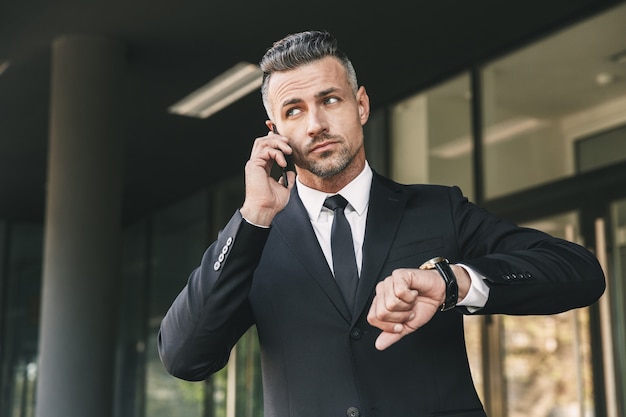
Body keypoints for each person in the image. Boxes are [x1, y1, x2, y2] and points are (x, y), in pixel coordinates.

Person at [158, 30, 605, 417]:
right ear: (274, 130)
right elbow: (184, 357)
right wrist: (253, 217)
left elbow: (580, 273)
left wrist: (454, 283)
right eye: (294, 110)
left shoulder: (437, 209)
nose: (315, 124)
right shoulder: (255, 237)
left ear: (361, 105)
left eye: (329, 100)